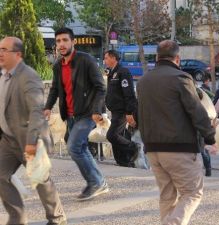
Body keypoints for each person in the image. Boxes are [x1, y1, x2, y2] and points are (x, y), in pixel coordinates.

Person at [137, 40, 217, 225]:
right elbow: (196, 110)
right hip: (179, 147)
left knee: (167, 196)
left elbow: (138, 112)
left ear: (157, 57)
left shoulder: (143, 81)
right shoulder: (181, 78)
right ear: (177, 58)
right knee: (192, 193)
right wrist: (210, 136)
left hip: (152, 149)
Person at [0, 37, 66, 225]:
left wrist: (31, 141)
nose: (0, 53)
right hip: (8, 140)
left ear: (18, 54)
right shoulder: (3, 76)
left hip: (30, 138)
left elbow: (37, 110)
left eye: (5, 49)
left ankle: (57, 218)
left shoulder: (28, 76)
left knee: (41, 181)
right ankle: (17, 218)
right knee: (1, 176)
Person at [44, 27, 108, 201]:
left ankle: (95, 182)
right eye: (58, 41)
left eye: (65, 40)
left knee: (73, 147)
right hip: (71, 115)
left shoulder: (86, 60)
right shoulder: (58, 65)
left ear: (73, 42)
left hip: (88, 113)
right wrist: (48, 107)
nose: (61, 44)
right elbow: (55, 89)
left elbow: (100, 87)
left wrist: (96, 110)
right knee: (80, 147)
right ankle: (99, 181)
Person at [104, 50, 138, 167]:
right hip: (114, 110)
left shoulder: (123, 72)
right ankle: (122, 161)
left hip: (122, 111)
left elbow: (128, 93)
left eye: (106, 58)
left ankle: (133, 147)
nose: (105, 61)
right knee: (118, 136)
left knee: (112, 135)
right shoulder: (112, 73)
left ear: (114, 58)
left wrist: (129, 112)